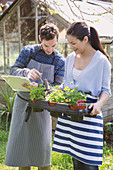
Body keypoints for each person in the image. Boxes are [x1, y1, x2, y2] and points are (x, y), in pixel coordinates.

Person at [5, 23, 65, 170]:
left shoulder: (59, 61)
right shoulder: (28, 52)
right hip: (23, 105)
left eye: (53, 46)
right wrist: (26, 73)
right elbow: (13, 70)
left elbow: (58, 86)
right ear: (40, 39)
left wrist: (45, 89)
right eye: (46, 46)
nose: (50, 50)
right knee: (22, 152)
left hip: (42, 109)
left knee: (42, 155)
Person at [52, 22, 111, 170]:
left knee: (89, 163)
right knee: (76, 162)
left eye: (74, 43)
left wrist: (98, 105)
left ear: (85, 39)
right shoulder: (70, 58)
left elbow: (106, 91)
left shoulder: (101, 60)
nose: (71, 46)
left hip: (89, 114)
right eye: (69, 43)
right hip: (71, 115)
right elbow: (65, 85)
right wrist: (54, 94)